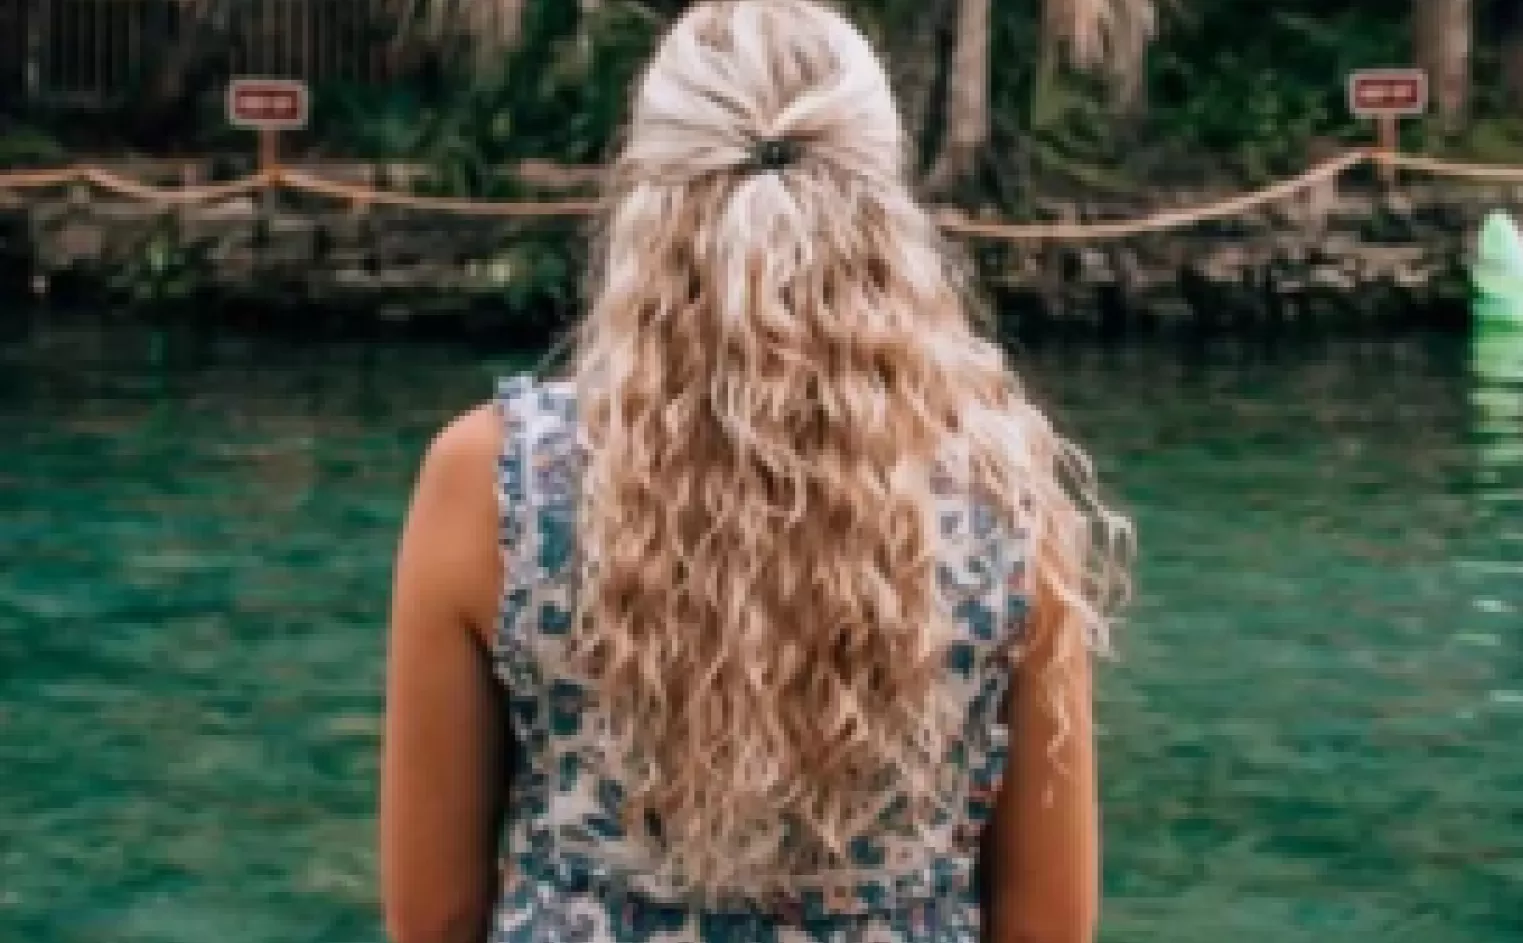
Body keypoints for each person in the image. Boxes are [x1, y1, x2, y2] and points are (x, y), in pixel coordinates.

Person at [378, 2, 1131, 941]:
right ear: (884, 209)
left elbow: (433, 914)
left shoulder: (491, 484)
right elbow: (1049, 922)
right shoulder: (1002, 491)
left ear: (647, 198)